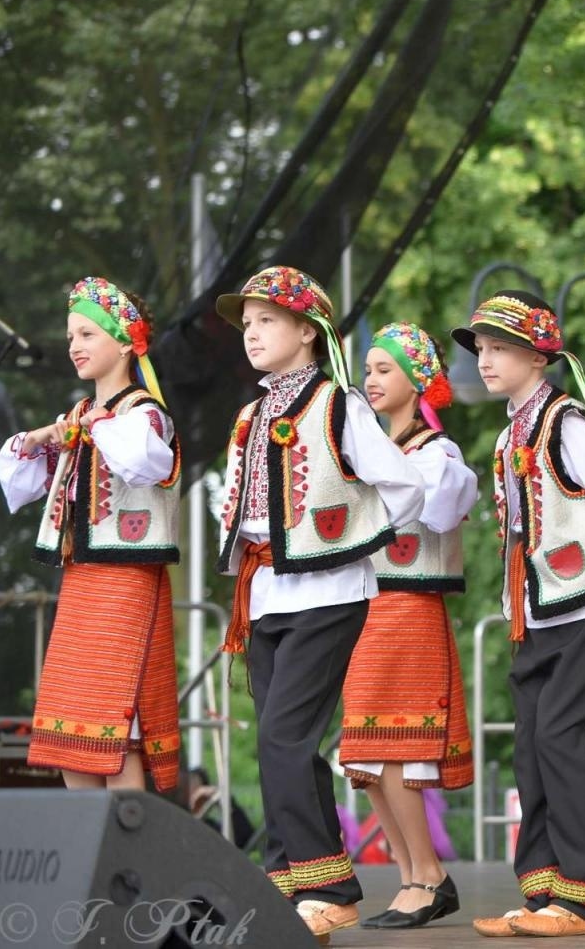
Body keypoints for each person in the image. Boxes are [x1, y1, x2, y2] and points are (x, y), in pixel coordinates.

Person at [214, 266, 425, 941]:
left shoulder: (340, 404)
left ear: (307, 331)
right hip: (268, 591)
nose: (253, 333)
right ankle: (289, 880)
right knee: (280, 744)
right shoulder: (252, 414)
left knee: (283, 736)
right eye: (247, 324)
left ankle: (331, 885)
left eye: (267, 321)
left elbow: (404, 485)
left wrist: (356, 540)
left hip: (330, 592)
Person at [461, 291, 585, 939]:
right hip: (539, 616)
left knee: (567, 741)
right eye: (481, 349)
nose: (486, 360)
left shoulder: (566, 423)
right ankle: (542, 891)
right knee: (535, 748)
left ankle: (581, 896)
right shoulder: (513, 428)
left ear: (538, 355)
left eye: (500, 348)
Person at [0, 276, 181, 792]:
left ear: (125, 341)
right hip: (81, 583)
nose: (74, 346)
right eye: (71, 335)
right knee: (72, 732)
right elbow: (21, 484)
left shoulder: (144, 414)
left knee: (117, 733)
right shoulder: (79, 417)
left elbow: (142, 462)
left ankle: (135, 865)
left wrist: (93, 425)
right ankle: (94, 869)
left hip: (126, 584)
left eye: (87, 335)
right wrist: (38, 438)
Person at [340, 322, 479, 930]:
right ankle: (412, 874)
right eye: (368, 369)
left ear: (418, 380)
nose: (371, 380)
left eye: (385, 369)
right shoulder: (362, 446)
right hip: (364, 605)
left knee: (397, 748)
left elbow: (445, 507)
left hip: (409, 604)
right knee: (365, 752)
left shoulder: (436, 453)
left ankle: (428, 875)